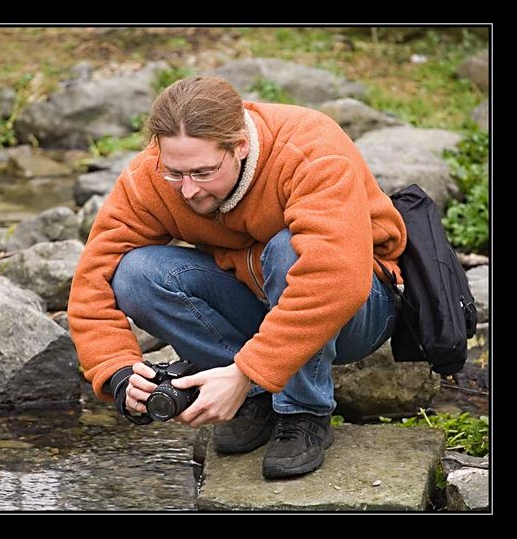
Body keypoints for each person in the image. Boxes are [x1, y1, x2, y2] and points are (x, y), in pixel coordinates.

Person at [67, 76, 406, 479]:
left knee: (288, 250)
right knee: (135, 274)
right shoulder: (154, 175)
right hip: (257, 295)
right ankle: (259, 399)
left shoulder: (310, 148)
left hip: (358, 308)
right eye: (175, 173)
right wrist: (119, 370)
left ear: (240, 145)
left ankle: (304, 412)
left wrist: (246, 371)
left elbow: (335, 279)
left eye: (203, 172)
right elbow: (94, 278)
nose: (188, 190)